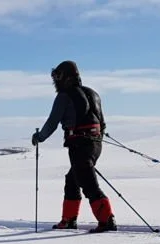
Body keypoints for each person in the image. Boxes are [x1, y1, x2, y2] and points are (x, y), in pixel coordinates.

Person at [31, 60, 117, 232]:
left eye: (57, 76)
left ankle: (107, 220)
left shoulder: (64, 96)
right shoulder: (93, 93)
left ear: (65, 76)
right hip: (95, 144)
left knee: (88, 184)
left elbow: (52, 122)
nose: (55, 80)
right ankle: (69, 219)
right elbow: (102, 123)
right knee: (73, 179)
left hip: (78, 145)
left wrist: (39, 137)